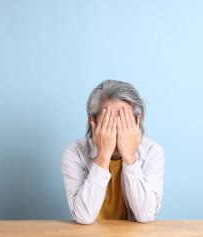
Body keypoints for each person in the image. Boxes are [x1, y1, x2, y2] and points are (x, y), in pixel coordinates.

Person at [61, 80, 164, 224]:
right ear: (93, 122)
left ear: (137, 122)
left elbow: (146, 215)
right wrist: (103, 155)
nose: (116, 132)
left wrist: (130, 157)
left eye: (124, 122)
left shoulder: (152, 152)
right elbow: (83, 216)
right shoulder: (74, 153)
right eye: (108, 123)